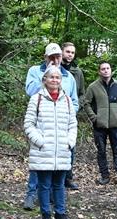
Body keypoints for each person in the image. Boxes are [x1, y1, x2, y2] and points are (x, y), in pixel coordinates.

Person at [23, 43, 78, 210]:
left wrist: (66, 114)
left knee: (60, 167)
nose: (55, 60)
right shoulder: (35, 71)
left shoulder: (68, 76)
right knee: (39, 164)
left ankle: (53, 200)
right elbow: (30, 91)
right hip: (42, 128)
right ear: (45, 57)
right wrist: (47, 76)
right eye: (51, 57)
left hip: (62, 130)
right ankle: (31, 195)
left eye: (58, 57)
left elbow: (74, 101)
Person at [82, 62, 117, 185]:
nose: (105, 71)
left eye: (107, 68)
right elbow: (86, 103)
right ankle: (105, 176)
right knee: (101, 151)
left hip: (115, 125)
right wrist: (94, 118)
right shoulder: (93, 87)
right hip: (99, 126)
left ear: (111, 70)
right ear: (99, 71)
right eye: (103, 69)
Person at [61, 42, 85, 191]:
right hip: (54, 113)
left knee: (71, 146)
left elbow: (82, 93)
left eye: (72, 53)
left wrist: (75, 108)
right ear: (62, 52)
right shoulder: (54, 69)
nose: (70, 54)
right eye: (68, 52)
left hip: (71, 114)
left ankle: (68, 177)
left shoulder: (77, 72)